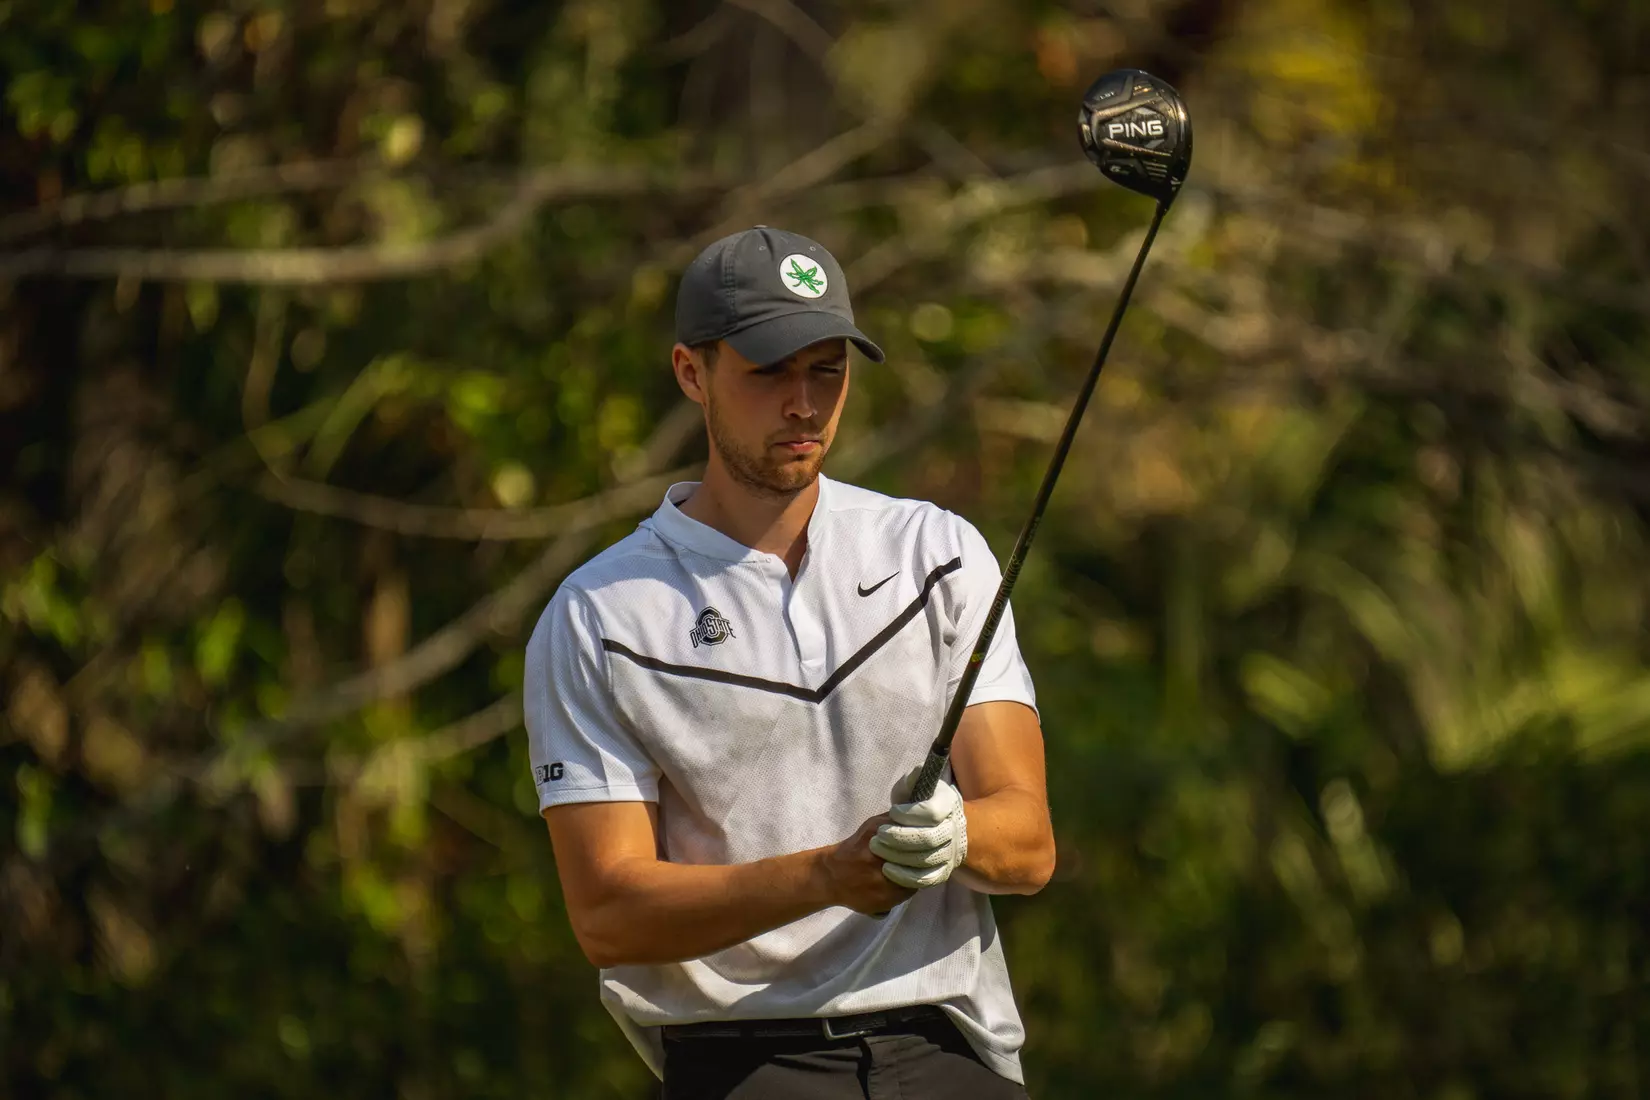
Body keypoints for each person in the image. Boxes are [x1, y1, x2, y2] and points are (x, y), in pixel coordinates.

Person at [525, 225, 1055, 1099]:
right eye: (768, 372)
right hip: (741, 1062)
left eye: (827, 371)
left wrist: (956, 835)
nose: (804, 405)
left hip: (945, 1050)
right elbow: (608, 913)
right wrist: (823, 877)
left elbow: (1029, 845)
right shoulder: (599, 614)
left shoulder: (937, 553)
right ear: (692, 374)